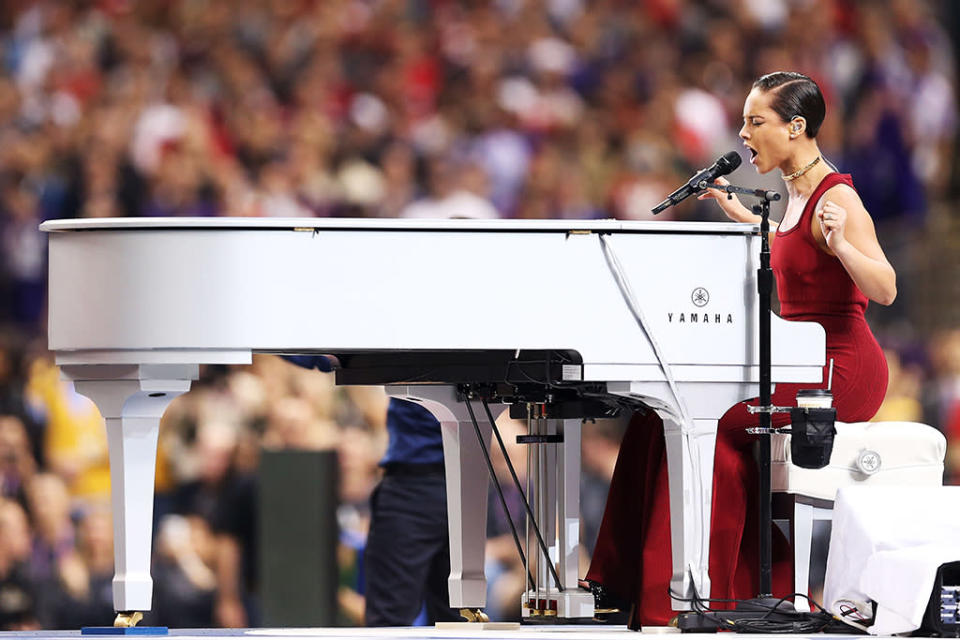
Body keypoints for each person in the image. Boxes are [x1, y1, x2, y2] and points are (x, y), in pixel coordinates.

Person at [585, 71, 896, 629]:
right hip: (799, 360)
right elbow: (794, 253)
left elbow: (885, 287)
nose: (744, 135)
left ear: (796, 127)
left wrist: (844, 243)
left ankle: (712, 598)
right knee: (663, 415)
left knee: (722, 425)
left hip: (838, 369)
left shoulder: (837, 195)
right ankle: (629, 584)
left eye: (756, 122)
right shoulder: (795, 195)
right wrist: (745, 216)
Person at [283, 355, 460, 626]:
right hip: (470, 486)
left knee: (390, 620)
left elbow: (328, 355)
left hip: (416, 484)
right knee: (458, 617)